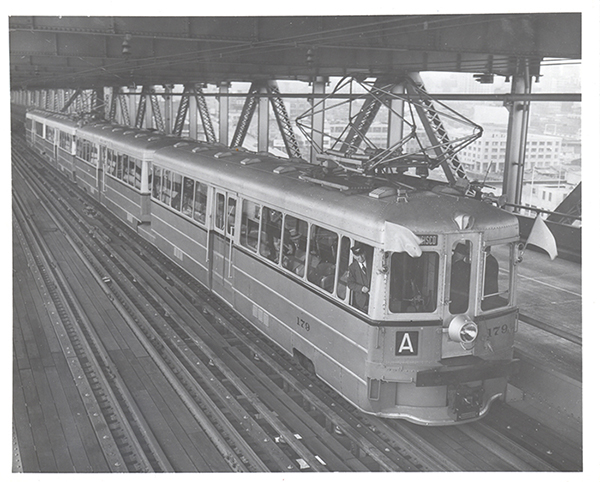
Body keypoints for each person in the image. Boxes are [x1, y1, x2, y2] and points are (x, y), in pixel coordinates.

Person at [347, 245, 371, 313]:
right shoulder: (352, 267)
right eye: (357, 256)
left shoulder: (372, 263)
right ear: (354, 256)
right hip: (361, 302)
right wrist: (361, 288)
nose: (360, 258)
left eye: (361, 254)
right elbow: (350, 284)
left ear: (365, 253)